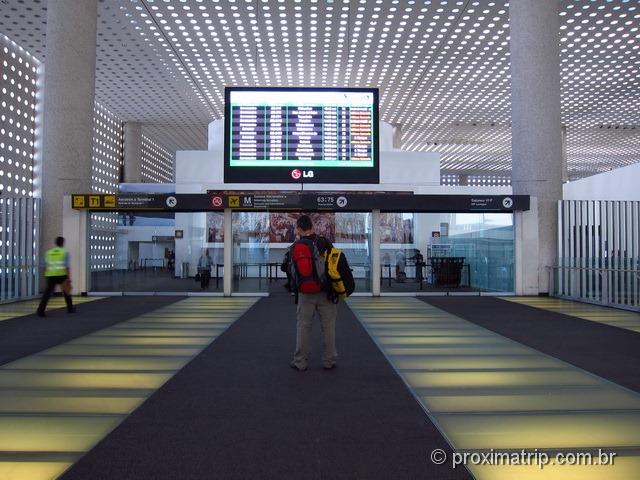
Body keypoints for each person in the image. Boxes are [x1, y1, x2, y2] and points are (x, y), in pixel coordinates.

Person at [289, 215, 337, 371]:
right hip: (326, 292)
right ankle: (329, 360)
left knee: (303, 326)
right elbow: (334, 264)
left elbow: (289, 270)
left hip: (305, 292)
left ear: (299, 229)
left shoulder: (296, 246)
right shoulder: (324, 242)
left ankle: (300, 361)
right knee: (328, 326)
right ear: (312, 226)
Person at [37, 236, 75, 317]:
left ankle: (40, 310)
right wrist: (69, 278)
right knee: (66, 292)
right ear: (63, 243)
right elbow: (67, 266)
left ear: (55, 243)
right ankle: (70, 309)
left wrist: (45, 274)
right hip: (62, 275)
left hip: (50, 275)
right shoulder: (65, 252)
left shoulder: (48, 252)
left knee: (47, 293)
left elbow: (45, 265)